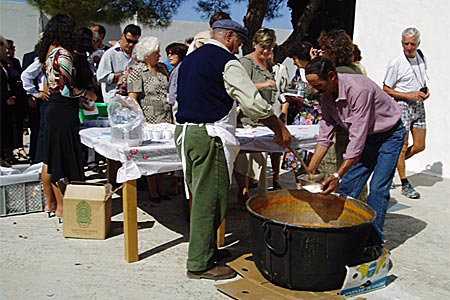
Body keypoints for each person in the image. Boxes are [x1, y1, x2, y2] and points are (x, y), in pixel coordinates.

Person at [174, 19, 291, 280]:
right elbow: (251, 102)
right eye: (239, 41)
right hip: (209, 136)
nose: (240, 47)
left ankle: (207, 250)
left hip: (188, 133)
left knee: (204, 196)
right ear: (229, 36)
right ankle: (199, 263)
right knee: (210, 200)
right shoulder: (225, 60)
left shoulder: (191, 59)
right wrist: (278, 128)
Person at [305, 57, 405, 261]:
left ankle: (373, 243)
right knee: (348, 187)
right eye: (312, 86)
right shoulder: (326, 95)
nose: (315, 91)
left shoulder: (359, 90)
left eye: (318, 86)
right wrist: (308, 172)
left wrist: (337, 174)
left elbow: (357, 142)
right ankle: (339, 234)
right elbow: (325, 137)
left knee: (378, 188)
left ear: (332, 76)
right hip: (367, 136)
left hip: (390, 135)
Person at [37, 14, 97, 219]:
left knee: (51, 158)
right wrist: (87, 95)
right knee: (62, 159)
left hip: (54, 109)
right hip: (63, 109)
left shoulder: (49, 52)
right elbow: (66, 89)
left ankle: (52, 204)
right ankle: (64, 207)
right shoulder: (63, 54)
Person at [235, 28, 282, 200]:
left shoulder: (268, 64)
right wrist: (265, 85)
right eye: (263, 47)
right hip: (248, 119)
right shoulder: (246, 62)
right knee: (244, 162)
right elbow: (241, 86)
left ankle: (256, 195)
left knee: (261, 160)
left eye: (270, 48)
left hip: (263, 120)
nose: (266, 51)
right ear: (255, 44)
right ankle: (243, 193)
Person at [383, 27, 430, 199]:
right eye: (406, 43)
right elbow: (386, 88)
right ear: (401, 43)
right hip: (402, 104)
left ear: (418, 43)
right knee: (402, 147)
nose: (409, 47)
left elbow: (421, 78)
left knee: (419, 145)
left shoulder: (421, 57)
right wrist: (407, 95)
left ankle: (392, 164)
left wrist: (425, 91)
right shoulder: (396, 62)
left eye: (413, 44)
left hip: (418, 105)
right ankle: (405, 184)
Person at [127, 36, 171, 202]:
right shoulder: (137, 72)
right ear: (147, 54)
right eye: (156, 52)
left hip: (165, 117)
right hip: (149, 118)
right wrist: (141, 119)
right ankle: (153, 191)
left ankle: (161, 188)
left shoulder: (162, 69)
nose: (159, 55)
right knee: (152, 156)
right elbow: (132, 99)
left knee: (164, 155)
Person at [96, 24, 141, 103]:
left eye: (134, 42)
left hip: (132, 101)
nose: (131, 45)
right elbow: (101, 77)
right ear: (122, 36)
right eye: (129, 41)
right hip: (114, 101)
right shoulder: (110, 54)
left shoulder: (138, 55)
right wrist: (123, 75)